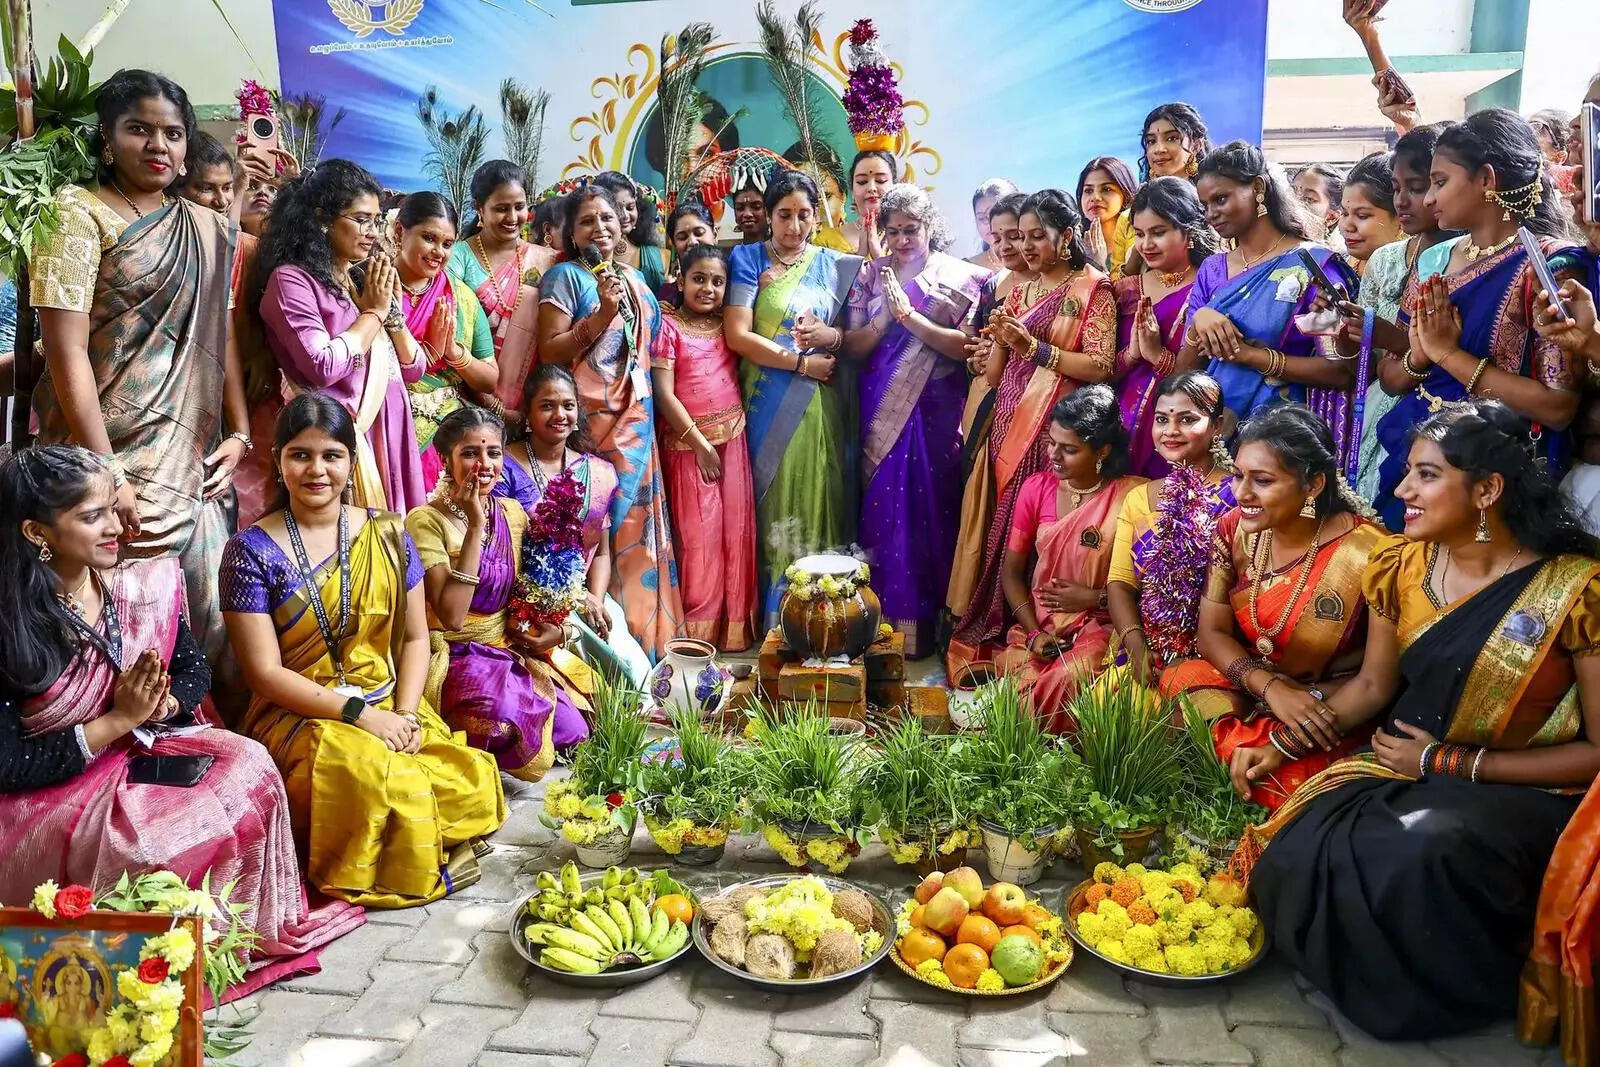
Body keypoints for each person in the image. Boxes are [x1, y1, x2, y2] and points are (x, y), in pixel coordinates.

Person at [1238, 402, 1600, 1041]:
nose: (1402, 490)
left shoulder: (1577, 592)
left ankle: (1442, 999)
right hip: (1407, 764)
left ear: (1487, 490)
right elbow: (1374, 686)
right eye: (1408, 472)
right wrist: (1283, 742)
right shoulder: (1403, 566)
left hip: (1528, 789)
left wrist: (1446, 762)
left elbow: (1596, 753)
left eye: (1426, 475)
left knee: (1415, 854)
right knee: (1290, 855)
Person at [0, 446, 365, 994]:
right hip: (51, 790)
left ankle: (227, 939)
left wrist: (163, 707)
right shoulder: (11, 621)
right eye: (91, 516)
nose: (114, 527)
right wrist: (118, 719)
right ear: (37, 532)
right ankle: (157, 958)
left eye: (111, 509)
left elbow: (190, 668)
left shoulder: (136, 587)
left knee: (249, 764)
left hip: (137, 746)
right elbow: (8, 763)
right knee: (152, 843)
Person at [221, 394, 506, 908]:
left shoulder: (391, 533)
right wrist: (360, 715)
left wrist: (403, 712)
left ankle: (420, 838)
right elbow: (264, 673)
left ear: (351, 463)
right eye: (300, 455)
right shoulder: (248, 550)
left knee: (468, 780)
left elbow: (418, 637)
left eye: (331, 455)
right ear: (278, 460)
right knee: (377, 781)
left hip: (390, 705)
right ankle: (416, 857)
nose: (317, 470)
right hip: (303, 713)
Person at [30, 69, 250, 667]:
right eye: (139, 129)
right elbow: (66, 349)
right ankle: (105, 725)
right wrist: (107, 476)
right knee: (104, 612)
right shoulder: (74, 214)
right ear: (106, 139)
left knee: (204, 610)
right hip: (95, 452)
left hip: (188, 461)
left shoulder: (205, 227)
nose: (159, 145)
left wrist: (239, 432)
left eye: (173, 134)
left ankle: (188, 720)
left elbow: (218, 333)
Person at [1371, 109, 1586, 529]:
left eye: (1439, 182)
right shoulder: (1436, 259)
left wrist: (1447, 355)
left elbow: (1557, 408)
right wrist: (1419, 357)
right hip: (1415, 454)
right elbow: (1392, 378)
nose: (1428, 199)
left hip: (1493, 473)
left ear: (1487, 180)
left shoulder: (1551, 266)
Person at [1163, 405, 1383, 809]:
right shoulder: (1233, 529)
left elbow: (1377, 684)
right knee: (1180, 681)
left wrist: (1288, 735)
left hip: (1324, 705)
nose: (1241, 492)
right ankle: (1240, 758)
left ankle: (1248, 765)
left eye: (1261, 480)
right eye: (1238, 475)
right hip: (1253, 684)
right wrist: (1270, 687)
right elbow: (1210, 634)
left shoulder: (1372, 554)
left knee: (1290, 778)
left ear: (1313, 485)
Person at [946, 188, 1117, 677]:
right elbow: (999, 373)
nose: (1025, 248)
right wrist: (997, 343)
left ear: (1066, 236)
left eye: (1037, 236)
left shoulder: (1093, 289)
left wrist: (1036, 348)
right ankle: (1008, 621)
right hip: (1007, 423)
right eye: (1019, 237)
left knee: (1046, 529)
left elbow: (1102, 367)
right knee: (1008, 528)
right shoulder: (1019, 289)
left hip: (1056, 427)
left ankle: (1053, 620)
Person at [843, 184, 991, 658]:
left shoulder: (964, 278)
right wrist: (884, 320)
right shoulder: (872, 276)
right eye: (894, 232)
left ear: (931, 227)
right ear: (883, 234)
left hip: (936, 408)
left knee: (930, 507)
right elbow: (855, 346)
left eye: (912, 229)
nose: (904, 240)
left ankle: (927, 626)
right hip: (880, 403)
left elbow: (967, 349)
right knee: (884, 510)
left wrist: (909, 318)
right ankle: (880, 624)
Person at [536, 185, 682, 659]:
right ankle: (600, 648)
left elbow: (647, 351)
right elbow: (549, 351)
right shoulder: (564, 278)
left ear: (622, 224)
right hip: (588, 426)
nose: (599, 227)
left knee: (642, 529)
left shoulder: (637, 281)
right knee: (601, 524)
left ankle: (649, 645)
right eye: (586, 222)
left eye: (606, 218)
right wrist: (599, 314)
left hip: (638, 422)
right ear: (571, 233)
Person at [407, 407, 588, 779]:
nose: (484, 464)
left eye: (493, 453)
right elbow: (451, 616)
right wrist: (475, 526)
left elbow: (536, 584)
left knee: (577, 729)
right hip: (455, 652)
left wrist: (560, 631)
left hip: (506, 645)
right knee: (505, 722)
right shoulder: (425, 520)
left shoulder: (512, 513)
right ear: (445, 459)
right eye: (470, 453)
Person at [723, 169, 866, 625]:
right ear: (767, 215)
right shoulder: (746, 259)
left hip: (817, 405)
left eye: (805, 214)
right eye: (784, 215)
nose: (795, 226)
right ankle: (775, 615)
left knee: (815, 491)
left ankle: (820, 612)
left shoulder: (834, 263)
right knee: (772, 496)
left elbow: (858, 330)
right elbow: (737, 335)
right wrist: (801, 363)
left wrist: (833, 335)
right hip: (766, 397)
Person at [253, 159, 428, 513]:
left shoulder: (361, 280)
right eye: (362, 219)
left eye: (377, 220)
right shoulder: (292, 281)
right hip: (339, 439)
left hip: (391, 428)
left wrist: (390, 316)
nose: (374, 232)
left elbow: (413, 370)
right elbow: (321, 364)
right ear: (322, 218)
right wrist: (373, 314)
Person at [1187, 141, 1358, 457]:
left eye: (1221, 199)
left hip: (1283, 439)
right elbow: (1187, 370)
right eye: (1205, 205)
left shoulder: (1314, 265)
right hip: (1211, 437)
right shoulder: (1212, 270)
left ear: (1258, 187)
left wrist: (1253, 357)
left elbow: (1340, 372)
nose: (1211, 214)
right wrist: (1200, 318)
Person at [994, 387, 1145, 732]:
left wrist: (1094, 598)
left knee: (1064, 681)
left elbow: (1152, 589)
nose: (1054, 456)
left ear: (1102, 451)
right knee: (1016, 688)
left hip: (1104, 627)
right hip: (1041, 624)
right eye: (1052, 443)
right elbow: (1012, 575)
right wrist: (1033, 634)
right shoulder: (1037, 488)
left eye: (1070, 449)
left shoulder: (1132, 497)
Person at [499, 364, 650, 686]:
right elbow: (501, 555)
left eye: (568, 405)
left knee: (633, 670)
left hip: (584, 596)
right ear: (528, 412)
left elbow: (602, 553)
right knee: (608, 677)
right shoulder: (503, 467)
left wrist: (593, 598)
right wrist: (568, 602)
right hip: (523, 600)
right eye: (547, 406)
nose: (559, 414)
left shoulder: (598, 471)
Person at [651, 245, 757, 651]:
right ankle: (698, 638)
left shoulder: (726, 327)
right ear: (681, 279)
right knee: (700, 543)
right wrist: (699, 444)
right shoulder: (668, 327)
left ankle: (733, 631)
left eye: (717, 281)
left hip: (734, 441)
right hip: (690, 448)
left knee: (736, 534)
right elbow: (664, 393)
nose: (709, 288)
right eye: (699, 279)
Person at [1104, 371, 1238, 688]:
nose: (1171, 431)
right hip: (1146, 645)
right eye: (1162, 420)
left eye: (1187, 420)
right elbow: (1120, 583)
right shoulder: (1140, 498)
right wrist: (1136, 645)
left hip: (1216, 650)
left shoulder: (1239, 494)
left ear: (1217, 426)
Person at [1350, 126, 1455, 500]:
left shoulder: (1463, 262)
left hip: (1439, 415)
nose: (1403, 201)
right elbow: (1370, 362)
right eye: (1396, 188)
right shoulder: (1384, 260)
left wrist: (1388, 338)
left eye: (1417, 187)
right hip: (1380, 400)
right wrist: (1347, 332)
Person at [946, 193, 1033, 638]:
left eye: (1014, 235)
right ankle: (974, 608)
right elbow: (971, 346)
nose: (1003, 245)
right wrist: (977, 355)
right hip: (985, 408)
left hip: (1031, 409)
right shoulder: (990, 285)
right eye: (996, 236)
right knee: (981, 505)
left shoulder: (1053, 287)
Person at [388, 192, 498, 489]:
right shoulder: (371, 285)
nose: (438, 251)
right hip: (382, 422)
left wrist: (453, 353)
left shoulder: (462, 298)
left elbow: (489, 380)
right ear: (400, 231)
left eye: (447, 244)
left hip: (445, 436)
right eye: (428, 238)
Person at [1112, 177, 1217, 478]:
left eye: (1158, 232)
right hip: (1121, 419)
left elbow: (1211, 376)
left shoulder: (1211, 287)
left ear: (1189, 232)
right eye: (1139, 234)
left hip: (1179, 425)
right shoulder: (1126, 289)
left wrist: (1159, 356)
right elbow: (1103, 370)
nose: (1146, 244)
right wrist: (1132, 355)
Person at [448, 160, 559, 420]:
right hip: (466, 402)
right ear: (479, 209)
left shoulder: (549, 260)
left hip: (535, 410)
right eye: (501, 209)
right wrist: (489, 403)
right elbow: (447, 334)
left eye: (519, 207)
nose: (512, 218)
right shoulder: (458, 258)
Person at [590, 172, 667, 294]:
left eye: (630, 208)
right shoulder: (586, 262)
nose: (625, 215)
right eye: (617, 209)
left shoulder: (661, 257)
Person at [1077, 157, 1140, 279]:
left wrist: (1099, 266)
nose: (1095, 197)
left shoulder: (1140, 241)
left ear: (1126, 195)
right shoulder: (1073, 245)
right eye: (1088, 190)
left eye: (1106, 189)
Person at [834, 150, 896, 260]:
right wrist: (860, 255)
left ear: (895, 186)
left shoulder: (909, 238)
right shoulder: (827, 241)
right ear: (852, 190)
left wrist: (878, 256)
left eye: (881, 180)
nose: (871, 187)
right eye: (862, 181)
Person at [658, 202, 716, 307]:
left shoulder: (734, 285)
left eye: (699, 233)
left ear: (715, 235)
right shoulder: (666, 297)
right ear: (674, 244)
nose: (692, 242)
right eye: (682, 237)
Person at [1139, 102, 1212, 182]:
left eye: (1172, 138)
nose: (1159, 149)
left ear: (1196, 145)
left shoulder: (1213, 191)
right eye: (1151, 141)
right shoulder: (1142, 194)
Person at [967, 177, 1020, 270]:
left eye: (994, 214)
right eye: (981, 217)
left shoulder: (1038, 261)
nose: (988, 223)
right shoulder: (967, 269)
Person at [1292, 163, 1345, 246]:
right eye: (1291, 194)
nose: (1294, 203)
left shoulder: (1328, 258)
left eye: (1308, 199)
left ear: (1331, 217)